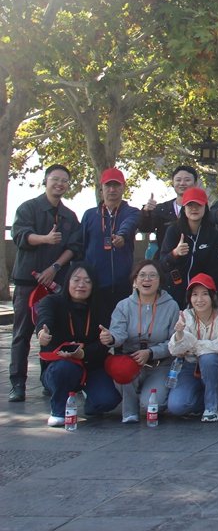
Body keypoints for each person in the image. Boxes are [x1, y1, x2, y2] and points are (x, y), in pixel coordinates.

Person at [9, 164, 83, 403]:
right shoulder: (28, 207)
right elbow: (20, 236)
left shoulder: (70, 216)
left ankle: (48, 379)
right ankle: (17, 383)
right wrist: (45, 239)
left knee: (52, 332)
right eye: (55, 179)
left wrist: (54, 268)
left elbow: (74, 247)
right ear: (46, 180)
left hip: (56, 284)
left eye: (64, 181)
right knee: (22, 333)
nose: (59, 184)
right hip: (27, 283)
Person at [35, 263, 121, 426]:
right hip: (60, 366)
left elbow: (104, 345)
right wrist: (41, 333)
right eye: (76, 280)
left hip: (91, 364)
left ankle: (91, 402)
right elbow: (44, 320)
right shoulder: (51, 302)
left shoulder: (102, 306)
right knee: (65, 369)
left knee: (107, 401)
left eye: (87, 281)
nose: (81, 285)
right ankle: (59, 411)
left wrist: (85, 352)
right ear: (67, 281)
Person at [101, 259, 181, 423]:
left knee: (151, 405)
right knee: (121, 369)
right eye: (142, 275)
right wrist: (111, 338)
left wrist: (151, 352)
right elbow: (118, 333)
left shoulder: (171, 306)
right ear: (135, 281)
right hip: (131, 361)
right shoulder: (123, 306)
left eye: (152, 275)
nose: (147, 279)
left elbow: (174, 342)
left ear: (160, 281)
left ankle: (146, 395)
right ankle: (130, 411)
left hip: (160, 364)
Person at [167, 274, 218, 421]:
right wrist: (180, 334)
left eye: (204, 294)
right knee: (177, 406)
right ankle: (216, 400)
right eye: (194, 294)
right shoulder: (186, 315)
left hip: (215, 367)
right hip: (190, 366)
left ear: (213, 296)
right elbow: (174, 350)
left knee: (208, 358)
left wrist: (192, 346)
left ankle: (212, 408)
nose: (199, 299)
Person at [80, 167, 139, 315]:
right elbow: (81, 246)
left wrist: (122, 236)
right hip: (93, 284)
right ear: (101, 188)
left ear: (123, 187)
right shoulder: (89, 215)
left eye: (116, 185)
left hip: (122, 285)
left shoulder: (132, 212)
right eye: (108, 185)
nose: (112, 189)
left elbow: (129, 224)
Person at [161, 187, 218, 308]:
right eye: (190, 205)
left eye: (199, 205)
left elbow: (216, 269)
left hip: (202, 295)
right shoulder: (173, 230)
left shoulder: (213, 233)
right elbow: (162, 264)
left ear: (205, 207)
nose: (194, 209)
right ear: (184, 208)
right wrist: (174, 253)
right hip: (175, 293)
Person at [139, 165, 199, 259]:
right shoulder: (162, 208)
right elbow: (145, 228)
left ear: (195, 183)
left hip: (192, 260)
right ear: (172, 183)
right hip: (164, 261)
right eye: (178, 180)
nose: (182, 183)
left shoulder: (201, 210)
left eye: (187, 180)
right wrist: (146, 212)